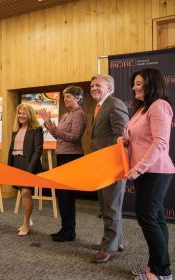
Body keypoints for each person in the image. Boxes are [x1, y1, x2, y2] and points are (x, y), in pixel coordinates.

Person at [122, 68, 174, 280]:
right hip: (147, 171)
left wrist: (138, 168)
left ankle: (161, 273)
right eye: (134, 83)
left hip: (154, 171)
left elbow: (160, 143)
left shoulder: (159, 106)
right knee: (156, 219)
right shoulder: (144, 108)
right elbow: (137, 137)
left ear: (151, 84)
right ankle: (157, 265)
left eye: (139, 83)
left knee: (148, 219)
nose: (134, 87)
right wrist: (125, 141)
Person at [90, 74, 129, 263]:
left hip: (112, 165)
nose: (93, 88)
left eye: (98, 85)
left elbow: (121, 137)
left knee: (111, 207)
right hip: (102, 165)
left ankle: (108, 248)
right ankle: (117, 242)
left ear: (110, 88)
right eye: (92, 85)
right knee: (109, 207)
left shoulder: (114, 104)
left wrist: (111, 163)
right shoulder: (99, 107)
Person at [40, 85, 87, 242]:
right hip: (62, 155)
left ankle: (69, 231)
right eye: (64, 96)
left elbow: (74, 137)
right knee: (63, 195)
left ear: (78, 98)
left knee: (66, 196)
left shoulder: (79, 114)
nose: (65, 99)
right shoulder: (66, 115)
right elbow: (59, 137)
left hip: (71, 157)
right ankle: (66, 228)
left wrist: (52, 127)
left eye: (68, 96)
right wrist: (48, 124)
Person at [8, 103, 43, 236]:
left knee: (26, 193)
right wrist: (9, 167)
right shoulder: (16, 129)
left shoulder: (36, 129)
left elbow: (37, 151)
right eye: (19, 113)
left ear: (29, 115)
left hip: (29, 164)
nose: (21, 116)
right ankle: (27, 219)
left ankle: (26, 223)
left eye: (24, 113)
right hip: (16, 162)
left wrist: (29, 170)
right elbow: (12, 149)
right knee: (22, 193)